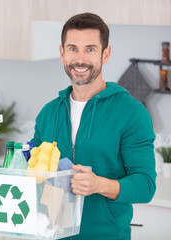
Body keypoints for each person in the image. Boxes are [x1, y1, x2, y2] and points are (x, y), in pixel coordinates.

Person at [31, 13, 156, 239]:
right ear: (62, 53)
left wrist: (99, 185)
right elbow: (34, 171)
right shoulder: (48, 113)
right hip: (51, 235)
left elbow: (145, 185)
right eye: (73, 49)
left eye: (90, 49)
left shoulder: (131, 113)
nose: (80, 59)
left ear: (105, 54)